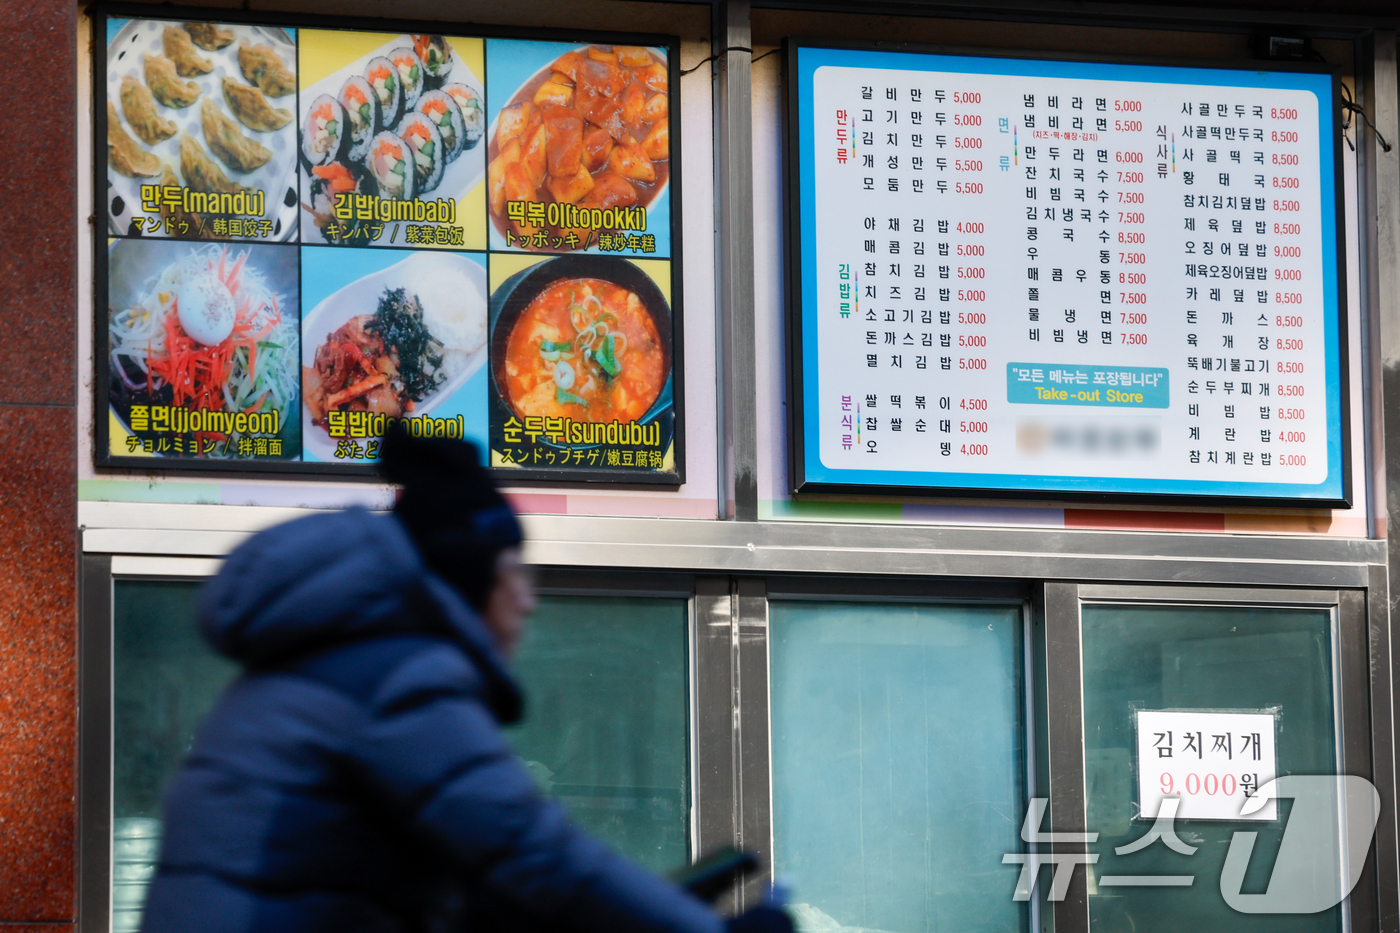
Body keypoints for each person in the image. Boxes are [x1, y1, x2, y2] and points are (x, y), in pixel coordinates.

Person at [141, 428, 791, 933]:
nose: (528, 600)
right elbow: (528, 849)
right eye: (516, 571)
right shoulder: (392, 678)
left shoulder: (320, 665)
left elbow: (470, 889)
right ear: (472, 577)